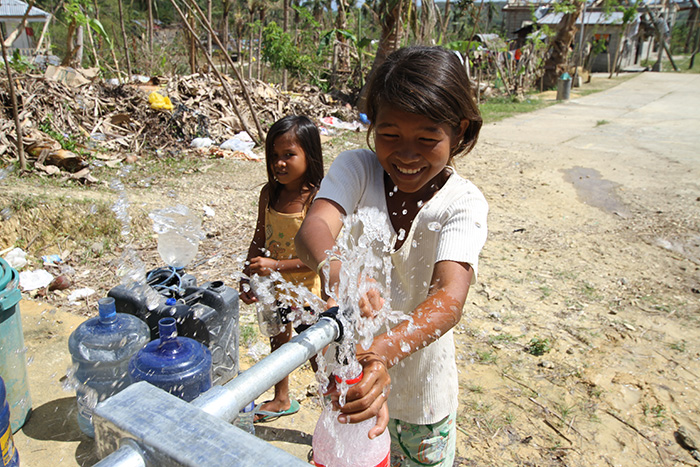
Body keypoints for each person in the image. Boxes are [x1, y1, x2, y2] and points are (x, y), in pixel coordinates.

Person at [295, 46, 488, 465]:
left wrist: (382, 351)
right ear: (372, 126)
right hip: (352, 379)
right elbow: (314, 229)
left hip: (422, 396)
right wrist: (340, 272)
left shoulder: (463, 203)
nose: (406, 153)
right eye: (390, 135)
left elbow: (448, 300)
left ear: (460, 131)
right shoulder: (357, 170)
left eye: (427, 138)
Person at [239, 115, 324, 422]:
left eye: (289, 155)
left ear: (310, 156)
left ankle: (333, 406)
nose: (280, 163)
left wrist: (276, 265)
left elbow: (320, 257)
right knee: (278, 340)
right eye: (274, 156)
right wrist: (246, 275)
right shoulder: (270, 194)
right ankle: (282, 398)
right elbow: (258, 238)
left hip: (306, 291)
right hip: (274, 288)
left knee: (316, 351)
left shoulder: (315, 199)